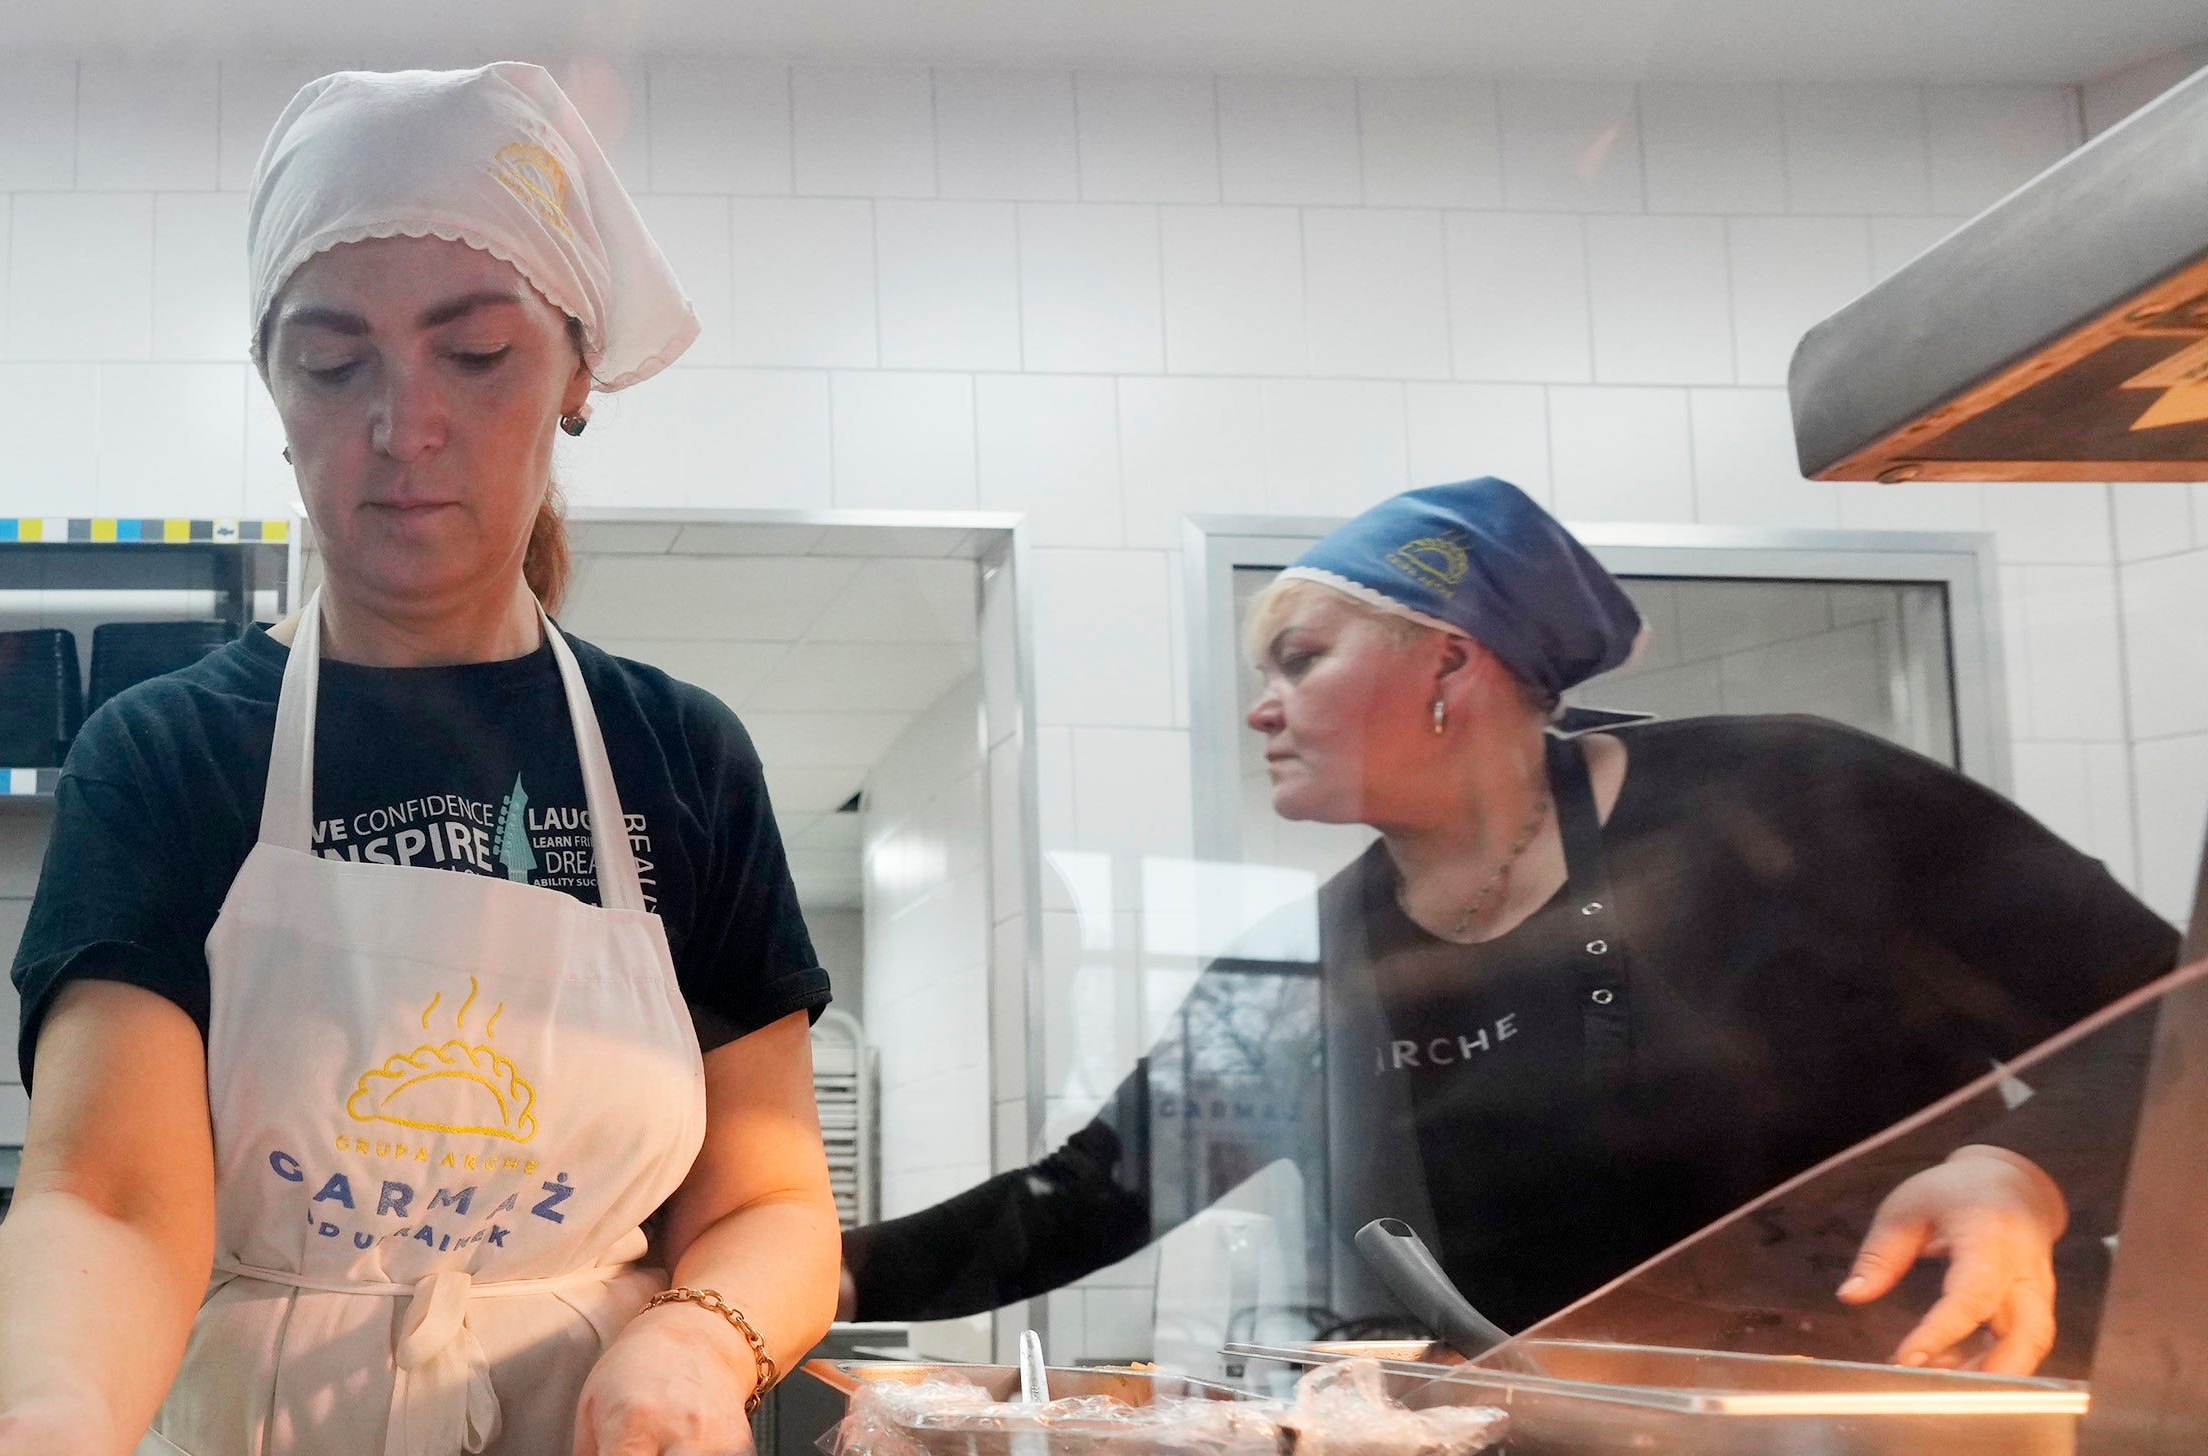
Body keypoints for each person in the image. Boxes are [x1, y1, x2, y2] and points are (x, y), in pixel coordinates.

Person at [0, 65, 839, 1456]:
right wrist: (52, 1434)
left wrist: (700, 1342)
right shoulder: (173, 753)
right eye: (336, 360)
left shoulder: (680, 760)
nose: (405, 424)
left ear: (576, 379)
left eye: (476, 354)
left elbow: (770, 1195)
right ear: (273, 386)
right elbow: (108, 1194)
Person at [843, 476, 2179, 1377]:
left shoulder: (1798, 797)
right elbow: (1081, 1202)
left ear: (1449, 661)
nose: (1262, 708)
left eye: (1301, 659)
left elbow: (2172, 1015)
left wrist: (2024, 1172)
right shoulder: (1308, 964)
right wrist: (786, 1276)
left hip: (1897, 1441)